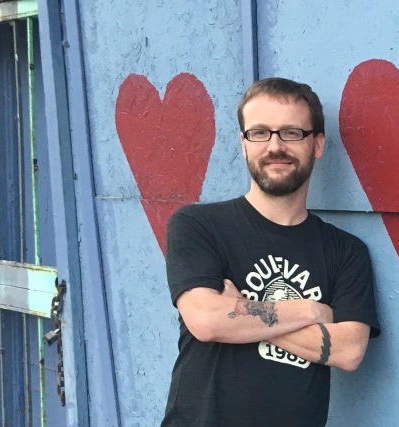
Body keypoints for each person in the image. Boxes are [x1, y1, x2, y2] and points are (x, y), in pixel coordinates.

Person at [161, 77, 381, 426]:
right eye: (260, 133)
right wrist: (311, 310)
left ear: (318, 144)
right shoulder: (199, 225)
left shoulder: (346, 251)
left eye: (292, 133)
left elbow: (350, 350)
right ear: (244, 144)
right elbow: (205, 320)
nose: (275, 146)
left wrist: (241, 308)